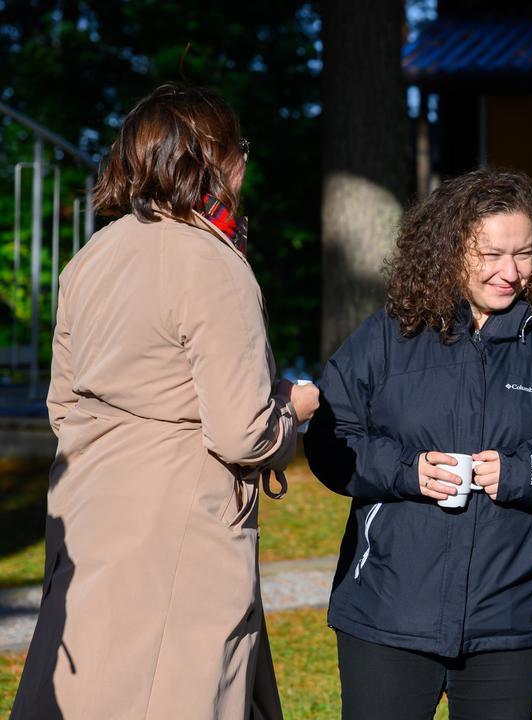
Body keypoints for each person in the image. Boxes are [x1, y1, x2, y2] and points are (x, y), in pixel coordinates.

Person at [11, 84, 318, 719]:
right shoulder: (212, 262)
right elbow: (242, 432)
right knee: (178, 689)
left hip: (90, 506)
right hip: (180, 522)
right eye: (239, 150)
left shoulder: (92, 256)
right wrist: (293, 411)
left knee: (92, 689)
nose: (245, 165)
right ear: (211, 160)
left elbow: (62, 404)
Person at [304, 168, 532, 720]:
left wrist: (525, 475)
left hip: (511, 620)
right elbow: (330, 441)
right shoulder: (387, 338)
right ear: (449, 249)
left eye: (524, 254)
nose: (509, 273)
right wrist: (404, 470)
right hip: (388, 613)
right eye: (489, 254)